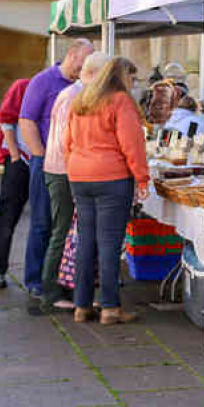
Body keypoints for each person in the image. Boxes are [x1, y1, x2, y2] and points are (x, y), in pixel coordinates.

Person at [64, 57, 149, 325]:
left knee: (86, 242)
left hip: (80, 176)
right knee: (110, 244)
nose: (133, 84)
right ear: (122, 77)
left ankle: (82, 305)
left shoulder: (81, 100)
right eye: (132, 79)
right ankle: (110, 307)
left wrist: (75, 166)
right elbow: (132, 144)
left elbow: (66, 143)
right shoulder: (120, 101)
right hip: (111, 177)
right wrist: (142, 179)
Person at [18, 38, 94, 296]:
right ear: (72, 55)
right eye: (82, 64)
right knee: (42, 222)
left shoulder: (81, 86)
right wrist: (41, 156)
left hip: (72, 166)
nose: (83, 71)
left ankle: (59, 280)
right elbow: (26, 121)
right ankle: (35, 280)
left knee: (63, 226)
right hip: (47, 163)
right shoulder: (43, 81)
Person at [40, 51, 109, 311]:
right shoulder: (75, 96)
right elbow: (67, 141)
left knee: (69, 232)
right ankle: (52, 292)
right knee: (63, 231)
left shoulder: (75, 94)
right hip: (64, 171)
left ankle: (66, 289)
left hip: (66, 170)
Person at [0, 78, 31, 289]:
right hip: (20, 161)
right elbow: (5, 118)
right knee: (8, 217)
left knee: (43, 221)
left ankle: (38, 275)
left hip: (43, 162)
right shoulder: (23, 86)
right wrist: (14, 154)